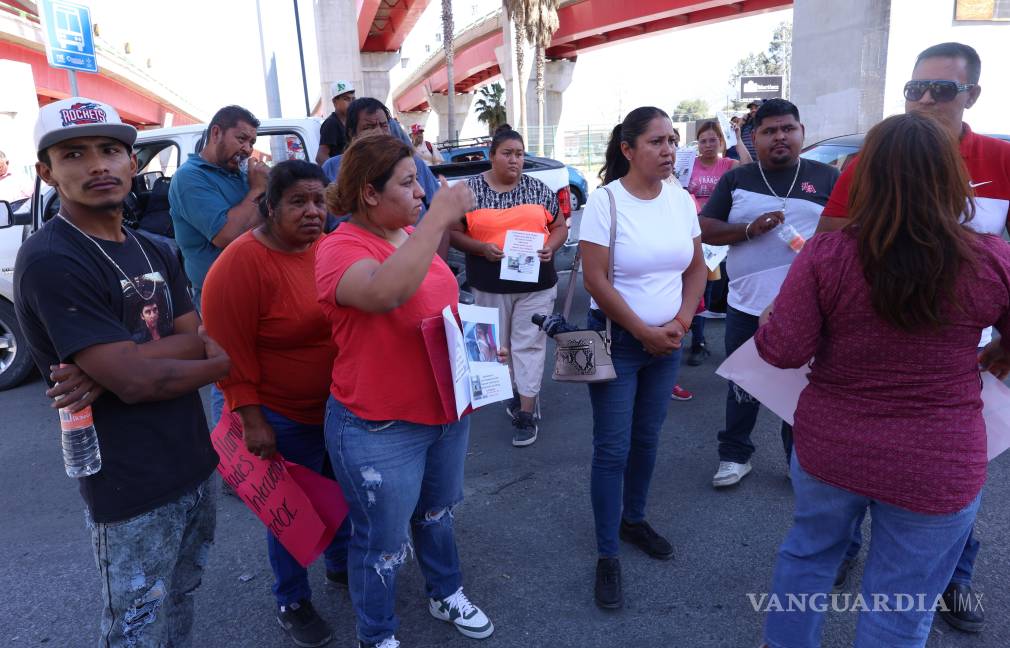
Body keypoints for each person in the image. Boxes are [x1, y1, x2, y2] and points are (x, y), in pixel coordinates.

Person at [755, 111, 1010, 648]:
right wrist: (995, 354)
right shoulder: (990, 259)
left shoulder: (828, 255)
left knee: (808, 558)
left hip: (832, 447)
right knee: (901, 606)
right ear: (952, 178)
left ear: (865, 176)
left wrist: (768, 321)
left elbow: (784, 351)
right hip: (940, 457)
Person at [14, 97, 230, 647]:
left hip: (194, 462)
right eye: (74, 154)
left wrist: (120, 361)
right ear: (47, 172)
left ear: (134, 163)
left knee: (183, 597)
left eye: (111, 150)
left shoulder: (155, 248)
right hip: (129, 485)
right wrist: (218, 361)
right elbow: (143, 380)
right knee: (134, 626)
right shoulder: (52, 259)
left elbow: (191, 336)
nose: (97, 166)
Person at [814, 41, 1010, 634]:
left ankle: (955, 577)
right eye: (914, 88)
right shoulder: (872, 160)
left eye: (941, 90)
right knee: (845, 476)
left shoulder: (1000, 161)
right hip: (871, 354)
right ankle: (843, 552)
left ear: (971, 95)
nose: (924, 100)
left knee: (953, 485)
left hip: (965, 363)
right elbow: (829, 244)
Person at [315, 134, 494, 648]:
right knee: (381, 542)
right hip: (380, 426)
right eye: (408, 181)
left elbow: (439, 306)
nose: (422, 191)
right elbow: (384, 293)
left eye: (421, 181)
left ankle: (445, 590)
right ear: (369, 194)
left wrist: (479, 360)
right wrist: (439, 216)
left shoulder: (407, 234)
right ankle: (377, 634)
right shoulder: (339, 247)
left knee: (438, 514)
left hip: (443, 411)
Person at [201, 160, 351, 648]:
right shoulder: (241, 264)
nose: (313, 212)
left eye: (319, 201)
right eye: (298, 202)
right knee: (291, 512)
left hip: (336, 407)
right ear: (269, 207)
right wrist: (252, 420)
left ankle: (341, 565)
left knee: (338, 494)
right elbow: (229, 353)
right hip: (281, 416)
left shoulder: (325, 248)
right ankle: (291, 599)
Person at [579, 107, 707, 610]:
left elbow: (696, 268)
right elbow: (594, 280)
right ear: (628, 150)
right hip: (618, 342)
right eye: (656, 141)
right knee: (612, 448)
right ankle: (607, 553)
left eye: (672, 140)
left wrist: (681, 322)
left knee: (647, 438)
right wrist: (642, 330)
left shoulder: (680, 200)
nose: (669, 150)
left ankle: (634, 520)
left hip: (668, 342)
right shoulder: (605, 202)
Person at [699, 98, 839, 489]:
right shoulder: (737, 179)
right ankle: (734, 455)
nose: (780, 137)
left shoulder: (827, 178)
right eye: (769, 131)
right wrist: (748, 229)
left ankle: (798, 461)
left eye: (787, 129)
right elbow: (706, 227)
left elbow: (846, 237)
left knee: (802, 389)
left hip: (808, 309)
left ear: (801, 133)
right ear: (754, 138)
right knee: (743, 383)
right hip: (745, 303)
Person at [447, 128, 567, 446]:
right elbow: (454, 232)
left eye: (519, 154)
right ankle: (514, 393)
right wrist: (480, 248)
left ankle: (526, 412)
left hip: (536, 284)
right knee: (497, 348)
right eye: (507, 153)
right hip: (489, 284)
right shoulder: (470, 191)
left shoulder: (538, 189)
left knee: (529, 344)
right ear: (492, 155)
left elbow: (559, 226)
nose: (515, 160)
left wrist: (551, 247)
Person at [169, 105, 268, 310]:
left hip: (256, 287)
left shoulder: (239, 174)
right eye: (241, 139)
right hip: (221, 298)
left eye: (252, 142)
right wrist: (258, 189)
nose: (248, 149)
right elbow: (227, 235)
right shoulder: (189, 177)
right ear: (216, 133)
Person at [684, 120, 740, 370]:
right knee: (688, 285)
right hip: (688, 232)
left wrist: (738, 137)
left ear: (721, 141)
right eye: (703, 140)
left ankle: (699, 342)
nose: (707, 145)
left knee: (703, 289)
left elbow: (749, 167)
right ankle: (687, 335)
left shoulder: (728, 165)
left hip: (714, 236)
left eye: (713, 140)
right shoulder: (689, 163)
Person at [322, 98, 440, 216]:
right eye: (369, 127)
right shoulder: (332, 169)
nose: (379, 132)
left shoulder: (412, 164)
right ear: (351, 133)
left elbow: (441, 211)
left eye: (384, 125)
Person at [316, 80, 355, 165]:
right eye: (346, 99)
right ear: (335, 101)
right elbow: (321, 156)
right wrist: (337, 175)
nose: (351, 102)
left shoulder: (352, 121)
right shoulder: (331, 123)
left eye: (353, 99)